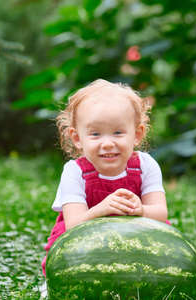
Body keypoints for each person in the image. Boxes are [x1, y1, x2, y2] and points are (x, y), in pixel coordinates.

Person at [41, 79, 168, 277]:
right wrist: (102, 209)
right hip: (82, 249)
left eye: (118, 132)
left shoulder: (146, 165)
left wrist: (141, 210)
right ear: (77, 138)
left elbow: (161, 214)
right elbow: (73, 226)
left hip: (134, 245)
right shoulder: (75, 172)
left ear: (137, 134)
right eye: (95, 134)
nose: (107, 143)